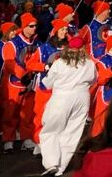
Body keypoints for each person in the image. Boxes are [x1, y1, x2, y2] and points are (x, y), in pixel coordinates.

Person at [38, 33, 99, 176]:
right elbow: (94, 79)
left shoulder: (59, 63)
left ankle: (51, 163)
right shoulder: (90, 63)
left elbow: (47, 84)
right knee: (72, 133)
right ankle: (60, 169)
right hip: (82, 97)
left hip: (62, 97)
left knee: (51, 130)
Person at [28, 18, 73, 152]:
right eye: (62, 29)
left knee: (60, 116)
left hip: (63, 88)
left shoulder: (69, 48)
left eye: (66, 29)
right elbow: (30, 64)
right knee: (41, 116)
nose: (65, 32)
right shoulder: (43, 48)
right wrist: (45, 66)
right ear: (56, 31)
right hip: (45, 88)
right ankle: (39, 141)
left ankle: (56, 142)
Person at [2, 12, 42, 150]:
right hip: (15, 83)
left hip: (30, 83)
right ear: (24, 26)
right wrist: (23, 74)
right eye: (31, 26)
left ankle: (26, 137)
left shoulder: (36, 42)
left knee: (28, 112)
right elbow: (9, 63)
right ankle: (8, 138)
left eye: (36, 26)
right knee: (11, 112)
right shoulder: (12, 44)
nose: (34, 28)